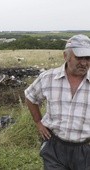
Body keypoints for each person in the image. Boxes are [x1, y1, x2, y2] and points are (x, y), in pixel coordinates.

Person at [24, 34, 90, 170]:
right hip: (55, 147)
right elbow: (30, 97)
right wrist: (38, 122)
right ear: (66, 56)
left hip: (85, 149)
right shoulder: (48, 78)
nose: (84, 63)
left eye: (88, 58)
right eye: (79, 57)